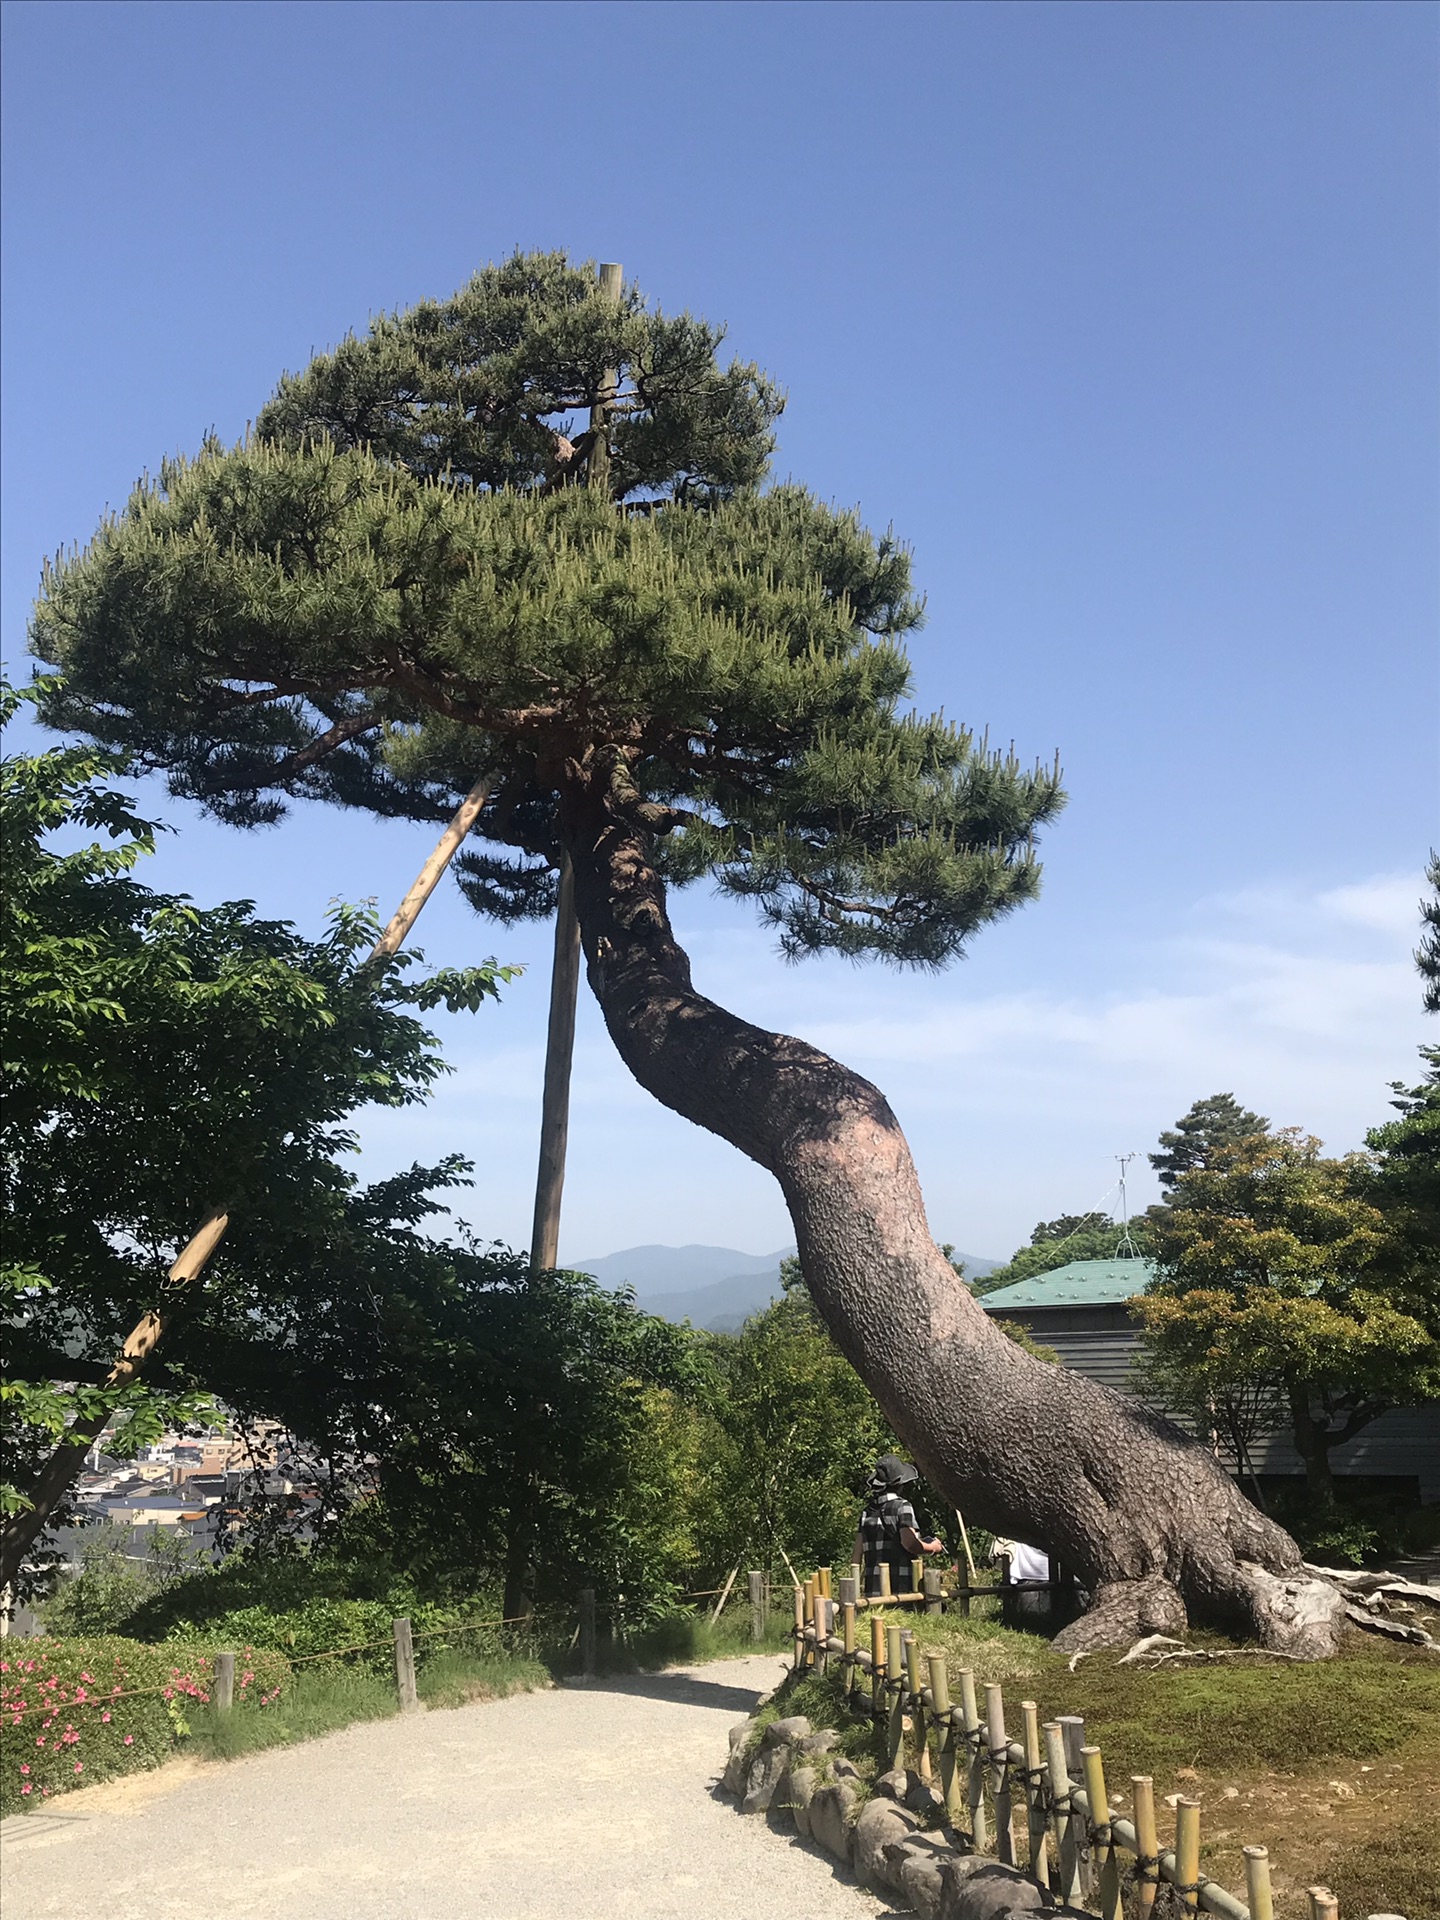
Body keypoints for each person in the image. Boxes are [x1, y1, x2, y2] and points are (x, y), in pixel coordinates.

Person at [853, 1455, 943, 1598]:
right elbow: (910, 1544)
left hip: (873, 1591)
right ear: (900, 1484)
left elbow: (857, 1555)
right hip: (901, 1589)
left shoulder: (867, 1512)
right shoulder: (902, 1506)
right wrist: (933, 1547)